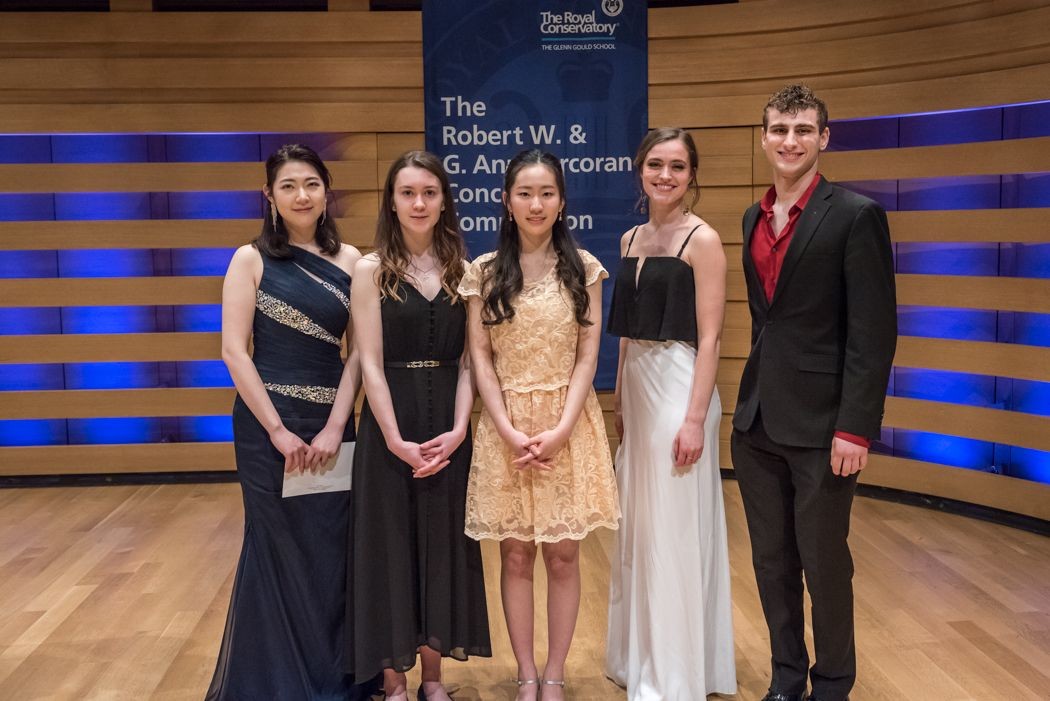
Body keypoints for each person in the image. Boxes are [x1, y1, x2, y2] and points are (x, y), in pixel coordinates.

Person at [731, 84, 897, 701]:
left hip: (826, 429)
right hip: (757, 423)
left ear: (824, 138)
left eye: (803, 129)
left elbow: (873, 334)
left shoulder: (855, 215)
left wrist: (856, 427)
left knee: (824, 566)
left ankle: (831, 684)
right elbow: (768, 322)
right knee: (771, 563)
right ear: (764, 138)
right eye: (779, 129)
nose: (790, 141)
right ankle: (786, 679)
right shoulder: (751, 218)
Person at [208, 144, 376, 700]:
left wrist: (335, 426)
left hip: (331, 425)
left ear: (327, 191)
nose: (301, 196)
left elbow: (360, 353)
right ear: (269, 196)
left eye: (311, 184)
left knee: (329, 549)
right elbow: (234, 351)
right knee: (276, 548)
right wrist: (278, 431)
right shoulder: (249, 259)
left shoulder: (353, 261)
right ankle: (276, 684)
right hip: (266, 432)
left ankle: (333, 678)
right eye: (288, 186)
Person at [459, 149, 620, 701]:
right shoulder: (482, 272)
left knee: (563, 554)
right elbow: (480, 358)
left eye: (546, 193)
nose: (536, 204)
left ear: (562, 201)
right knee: (516, 554)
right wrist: (506, 429)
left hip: (567, 425)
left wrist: (562, 429)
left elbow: (588, 356)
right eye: (524, 194)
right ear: (506, 201)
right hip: (505, 426)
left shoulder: (585, 268)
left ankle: (555, 673)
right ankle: (526, 672)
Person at [347, 151, 491, 701]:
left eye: (430, 192)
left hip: (448, 427)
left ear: (444, 201)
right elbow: (369, 362)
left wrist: (460, 429)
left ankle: (434, 679)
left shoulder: (464, 270)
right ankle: (394, 681)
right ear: (392, 201)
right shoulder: (370, 270)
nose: (419, 203)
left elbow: (470, 361)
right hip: (390, 428)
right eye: (408, 193)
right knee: (391, 548)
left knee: (442, 547)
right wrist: (393, 439)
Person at [605, 128, 737, 700]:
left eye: (677, 166)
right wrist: (618, 396)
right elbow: (627, 331)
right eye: (655, 164)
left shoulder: (702, 240)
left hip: (681, 384)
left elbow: (711, 339)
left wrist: (693, 418)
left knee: (673, 527)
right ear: (640, 170)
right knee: (641, 525)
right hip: (637, 385)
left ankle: (675, 673)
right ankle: (640, 656)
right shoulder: (631, 237)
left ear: (691, 175)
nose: (665, 175)